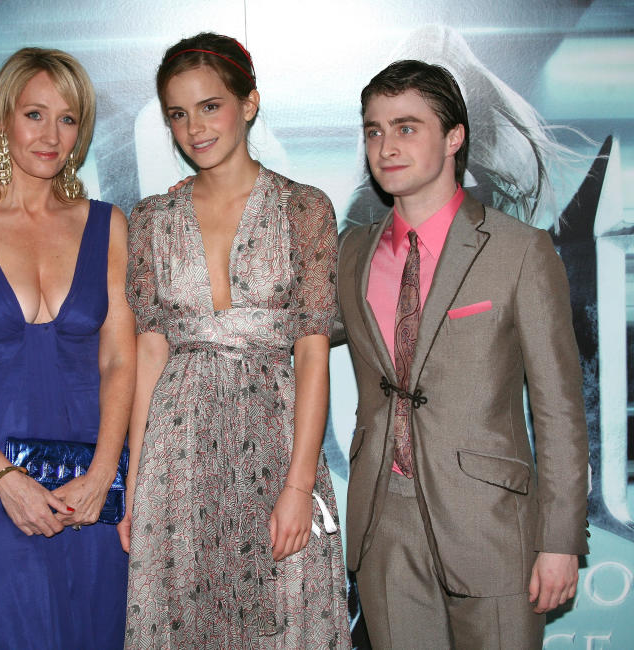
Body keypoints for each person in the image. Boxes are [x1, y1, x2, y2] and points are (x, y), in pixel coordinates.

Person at [336, 59, 589, 649]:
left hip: (492, 524)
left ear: (454, 138)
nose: (386, 146)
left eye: (406, 127)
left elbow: (558, 410)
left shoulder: (520, 250)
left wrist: (559, 540)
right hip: (383, 522)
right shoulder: (351, 253)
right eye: (374, 130)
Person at [121, 33, 351, 648]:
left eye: (210, 106)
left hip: (278, 445)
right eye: (177, 113)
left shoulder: (305, 209)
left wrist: (299, 485)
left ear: (249, 104)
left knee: (286, 620)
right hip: (179, 454)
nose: (194, 127)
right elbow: (149, 352)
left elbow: (311, 350)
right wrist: (134, 487)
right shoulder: (151, 218)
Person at [0, 48, 134, 648]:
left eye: (68, 119)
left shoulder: (108, 225)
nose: (51, 134)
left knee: (97, 625)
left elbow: (119, 359)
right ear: (3, 119)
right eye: (35, 114)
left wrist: (103, 472)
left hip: (88, 480)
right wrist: (4, 479)